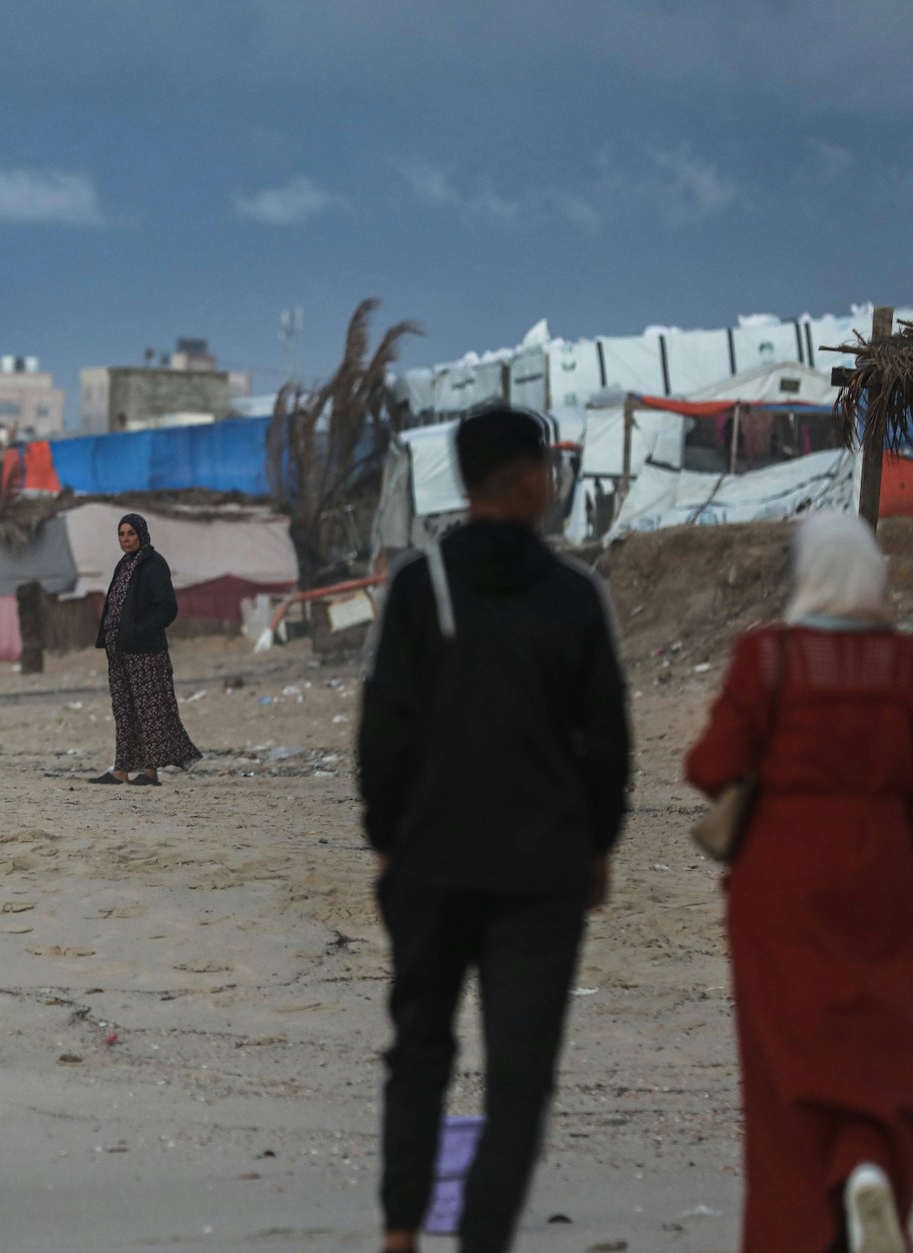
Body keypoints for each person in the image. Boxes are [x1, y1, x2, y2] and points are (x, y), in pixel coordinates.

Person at [359, 406, 630, 1253]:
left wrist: (385, 836)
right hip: (541, 872)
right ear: (526, 480)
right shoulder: (575, 596)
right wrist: (598, 845)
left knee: (419, 1053)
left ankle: (402, 1231)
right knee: (519, 1077)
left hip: (432, 864)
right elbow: (606, 739)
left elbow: (384, 728)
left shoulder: (418, 584)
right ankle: (482, 1239)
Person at [684, 511, 913, 1253]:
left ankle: (795, 1231)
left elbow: (707, 766)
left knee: (786, 1075)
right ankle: (867, 1165)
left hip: (781, 890)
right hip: (886, 884)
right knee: (878, 1057)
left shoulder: (767, 658)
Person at [90, 513, 200, 786]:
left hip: (145, 653)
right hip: (119, 653)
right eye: (121, 534)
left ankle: (150, 772)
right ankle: (121, 769)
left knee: (149, 712)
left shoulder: (153, 564)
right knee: (124, 710)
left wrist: (137, 631)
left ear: (141, 534)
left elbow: (167, 608)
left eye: (130, 533)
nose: (126, 539)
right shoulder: (124, 564)